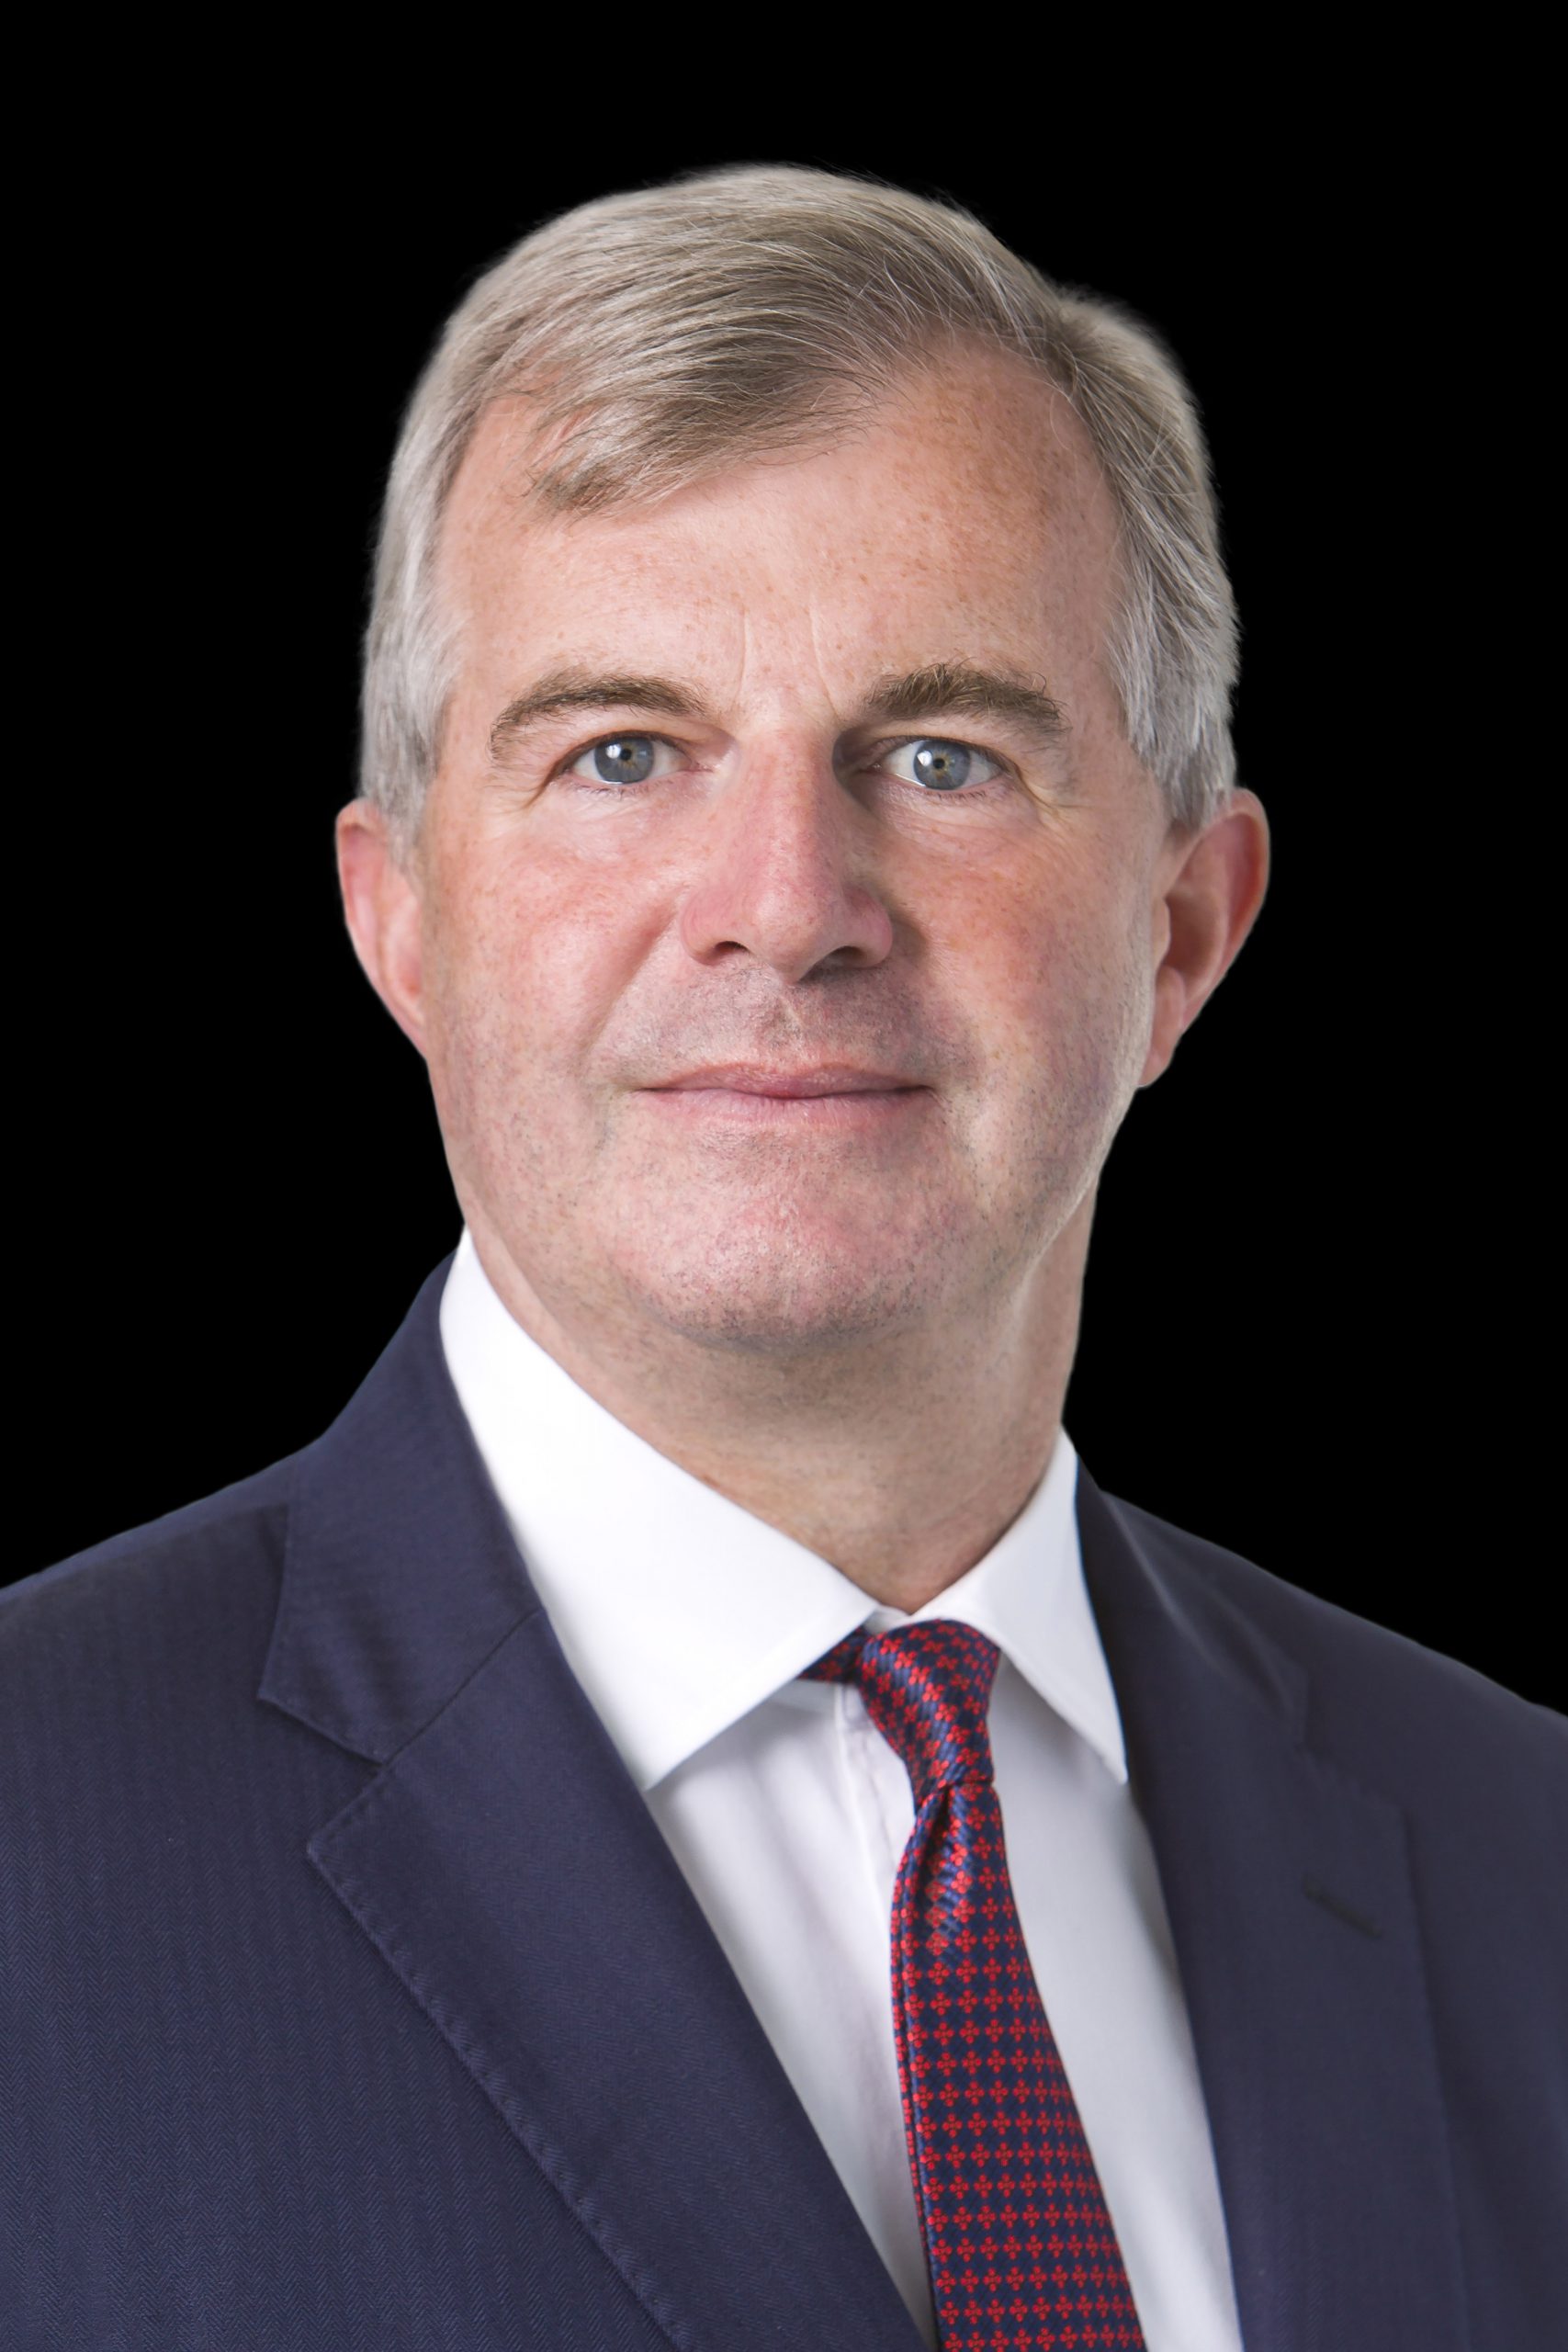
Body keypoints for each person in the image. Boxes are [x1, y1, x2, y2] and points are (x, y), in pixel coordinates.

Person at [4, 165, 1562, 2352]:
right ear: (399, 919)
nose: (783, 904)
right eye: (620, 752)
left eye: (940, 754)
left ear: (1181, 931)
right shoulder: (30, 1829)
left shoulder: (1516, 1846)